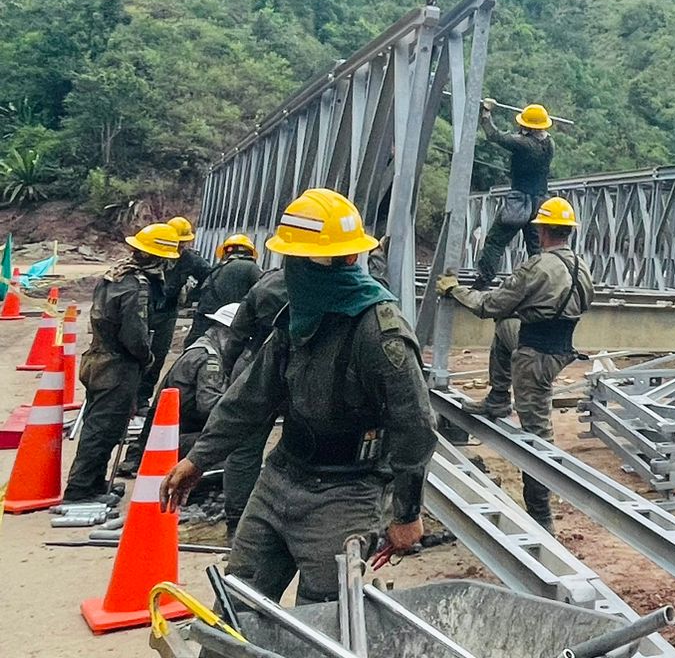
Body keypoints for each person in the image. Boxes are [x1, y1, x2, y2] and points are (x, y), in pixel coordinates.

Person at [162, 188, 437, 604]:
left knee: (323, 624)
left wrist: (406, 513)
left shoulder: (378, 332)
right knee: (236, 607)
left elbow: (414, 425)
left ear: (338, 262)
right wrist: (199, 458)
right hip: (282, 477)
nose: (290, 270)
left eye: (300, 259)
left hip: (346, 494)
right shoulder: (295, 320)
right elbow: (249, 399)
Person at [436, 196, 593, 530]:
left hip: (535, 357)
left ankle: (542, 516)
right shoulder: (581, 265)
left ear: (542, 231)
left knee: (536, 438)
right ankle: (496, 398)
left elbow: (490, 304)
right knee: (506, 328)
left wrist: (456, 291)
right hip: (559, 349)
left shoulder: (538, 266)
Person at [63, 221, 179, 504]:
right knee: (105, 429)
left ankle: (92, 482)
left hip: (98, 359)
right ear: (158, 257)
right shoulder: (136, 286)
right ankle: (80, 490)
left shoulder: (115, 275)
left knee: (98, 424)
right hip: (117, 366)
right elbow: (134, 333)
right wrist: (147, 358)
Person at [120, 302, 238, 475]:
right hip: (173, 439)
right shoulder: (209, 360)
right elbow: (209, 406)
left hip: (163, 436)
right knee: (234, 443)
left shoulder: (199, 347)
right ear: (226, 332)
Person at [217, 265, 289, 534]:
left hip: (253, 363)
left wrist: (230, 369)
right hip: (302, 374)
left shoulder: (268, 281)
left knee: (244, 449)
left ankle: (237, 524)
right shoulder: (336, 284)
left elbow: (238, 331)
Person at [475, 102, 556, 288]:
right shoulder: (549, 143)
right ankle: (540, 285)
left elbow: (494, 135)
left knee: (495, 242)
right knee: (536, 248)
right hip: (540, 203)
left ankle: (483, 281)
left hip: (519, 202)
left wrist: (486, 113)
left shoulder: (524, 144)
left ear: (527, 126)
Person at [141, 215, 213, 404]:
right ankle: (129, 398)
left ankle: (142, 399)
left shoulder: (190, 260)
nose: (180, 248)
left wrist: (192, 296)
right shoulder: (154, 254)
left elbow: (210, 275)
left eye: (183, 244)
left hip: (167, 312)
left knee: (157, 356)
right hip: (144, 310)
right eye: (178, 244)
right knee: (137, 352)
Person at [185, 234, 261, 348]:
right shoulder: (250, 267)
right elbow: (263, 292)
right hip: (226, 326)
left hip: (202, 325)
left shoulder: (216, 270)